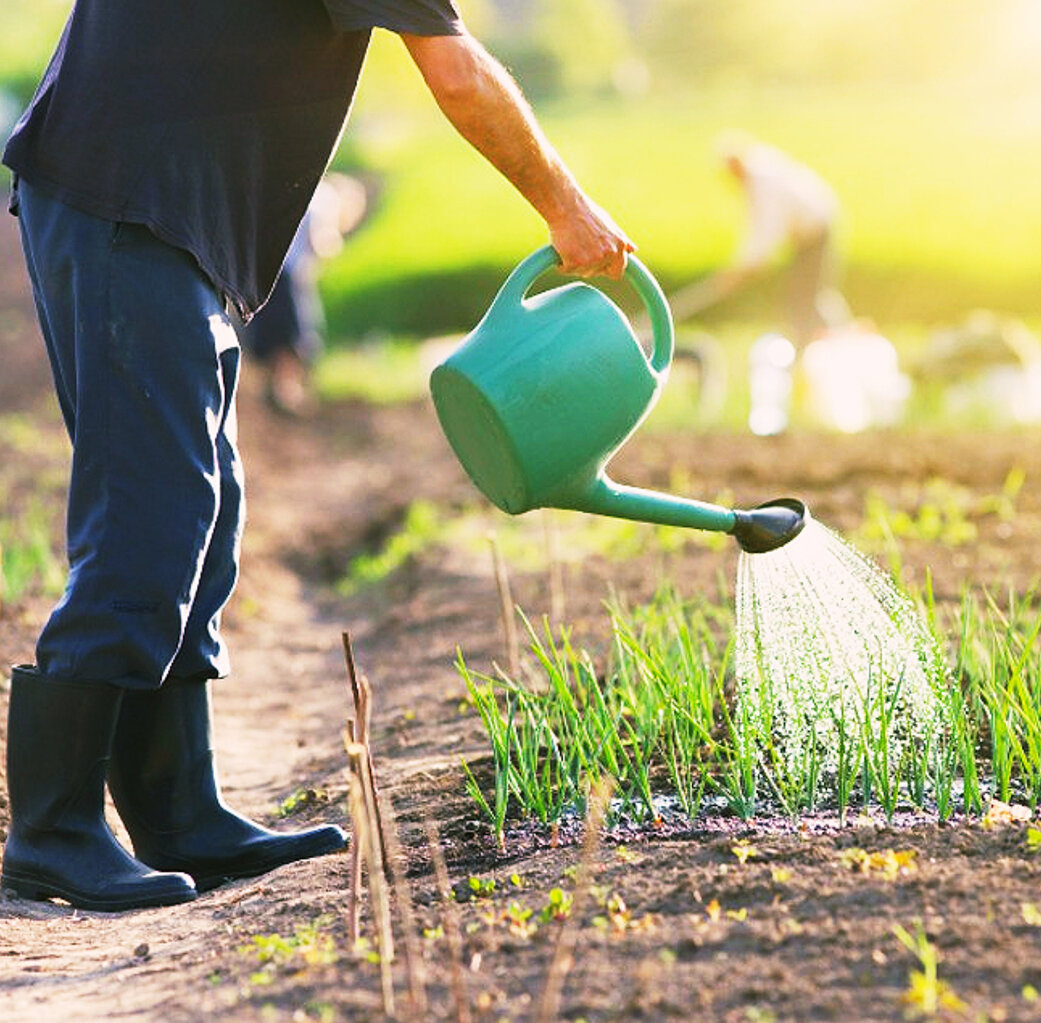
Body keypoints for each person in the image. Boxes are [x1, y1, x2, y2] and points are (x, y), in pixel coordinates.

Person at [1, 0, 634, 912]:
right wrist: (567, 209)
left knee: (202, 508)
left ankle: (180, 809)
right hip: (124, 200)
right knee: (154, 507)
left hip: (153, 209)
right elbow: (456, 72)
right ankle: (52, 829)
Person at [668, 135, 850, 347]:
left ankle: (825, 340)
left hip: (816, 230)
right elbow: (758, 229)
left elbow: (767, 231)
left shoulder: (764, 182)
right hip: (809, 232)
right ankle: (825, 338)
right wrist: (742, 265)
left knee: (806, 296)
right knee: (806, 294)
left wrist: (745, 266)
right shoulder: (757, 175)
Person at [241, 174, 367, 416]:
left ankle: (278, 388)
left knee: (275, 336)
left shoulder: (302, 189)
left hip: (265, 274)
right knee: (292, 338)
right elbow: (321, 242)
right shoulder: (326, 201)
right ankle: (286, 390)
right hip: (290, 277)